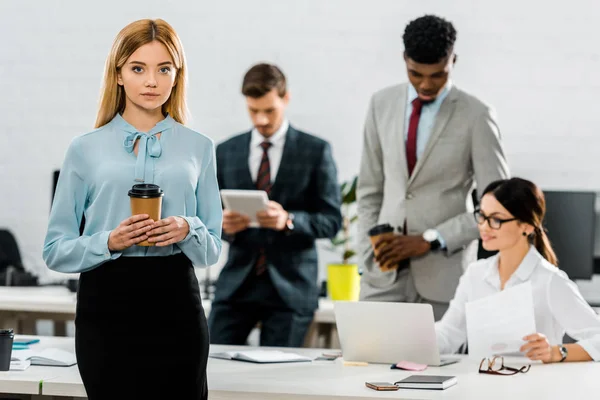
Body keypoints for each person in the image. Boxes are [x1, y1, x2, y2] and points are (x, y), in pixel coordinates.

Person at [43, 19, 222, 399]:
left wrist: (187, 227)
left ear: (178, 75)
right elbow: (55, 249)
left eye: (164, 69)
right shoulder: (84, 148)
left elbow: (212, 250)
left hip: (177, 303)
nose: (152, 81)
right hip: (107, 303)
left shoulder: (200, 147)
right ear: (119, 74)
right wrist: (108, 241)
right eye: (138, 68)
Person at [357, 14, 510, 319]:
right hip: (382, 277)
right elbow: (369, 192)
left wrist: (430, 239)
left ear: (453, 60)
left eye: (438, 75)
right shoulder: (380, 104)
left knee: (436, 367)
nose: (426, 85)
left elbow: (499, 206)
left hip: (443, 279)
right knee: (365, 363)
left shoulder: (477, 115)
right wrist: (366, 253)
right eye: (416, 74)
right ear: (404, 60)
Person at [208, 63, 342, 347]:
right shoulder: (226, 151)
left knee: (277, 377)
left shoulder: (315, 151)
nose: (261, 120)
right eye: (253, 110)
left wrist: (288, 220)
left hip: (291, 289)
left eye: (269, 110)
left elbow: (332, 221)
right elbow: (208, 217)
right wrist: (222, 223)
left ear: (286, 98)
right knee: (209, 366)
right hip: (236, 285)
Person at [436, 178, 600, 362]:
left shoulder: (550, 280)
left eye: (496, 219)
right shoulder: (475, 274)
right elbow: (449, 332)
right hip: (480, 384)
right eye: (482, 216)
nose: (484, 226)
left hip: (535, 386)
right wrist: (412, 342)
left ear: (527, 226)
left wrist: (556, 352)